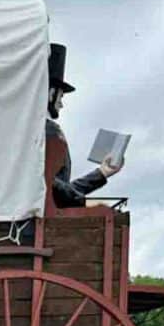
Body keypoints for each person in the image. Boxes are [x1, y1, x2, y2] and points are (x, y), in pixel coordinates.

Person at [46, 41, 124, 210]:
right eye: (61, 97)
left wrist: (101, 173)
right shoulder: (48, 130)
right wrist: (86, 203)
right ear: (51, 93)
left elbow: (58, 189)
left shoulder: (33, 130)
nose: (61, 104)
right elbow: (54, 188)